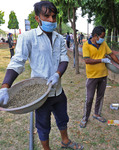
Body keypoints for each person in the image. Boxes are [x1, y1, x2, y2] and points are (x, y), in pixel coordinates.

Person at [0, 1, 83, 150]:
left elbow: (64, 59)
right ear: (37, 18)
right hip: (40, 95)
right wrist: (5, 86)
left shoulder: (59, 38)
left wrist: (58, 74)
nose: (51, 20)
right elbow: (18, 62)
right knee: (43, 125)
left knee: (63, 118)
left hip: (57, 90)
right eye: (47, 16)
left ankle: (65, 141)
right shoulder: (28, 37)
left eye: (53, 16)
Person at [79, 26, 119, 128]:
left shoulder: (103, 44)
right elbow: (87, 60)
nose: (103, 39)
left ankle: (97, 114)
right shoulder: (86, 45)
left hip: (103, 75)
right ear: (95, 36)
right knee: (89, 98)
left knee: (100, 97)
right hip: (92, 76)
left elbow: (111, 54)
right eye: (102, 36)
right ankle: (85, 118)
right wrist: (102, 60)